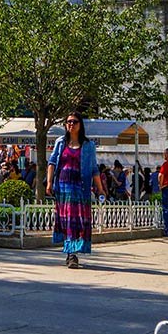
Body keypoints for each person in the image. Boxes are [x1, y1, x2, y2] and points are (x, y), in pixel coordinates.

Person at [45, 112, 103, 270]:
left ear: (80, 125)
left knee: (77, 222)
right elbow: (52, 162)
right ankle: (71, 254)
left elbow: (93, 169)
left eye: (74, 122)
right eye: (68, 122)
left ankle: (73, 252)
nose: (71, 124)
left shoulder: (88, 145)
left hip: (80, 188)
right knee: (67, 220)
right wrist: (49, 182)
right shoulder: (60, 142)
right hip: (63, 187)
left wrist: (101, 189)